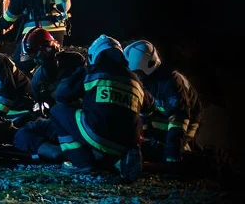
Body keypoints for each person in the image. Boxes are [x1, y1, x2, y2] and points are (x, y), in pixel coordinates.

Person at [13, 34, 152, 183]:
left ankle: (80, 160)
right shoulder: (136, 81)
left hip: (93, 131)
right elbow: (149, 108)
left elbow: (61, 96)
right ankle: (118, 159)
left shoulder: (91, 72)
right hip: (126, 143)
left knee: (55, 112)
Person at [124, 40, 203, 163]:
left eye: (137, 73)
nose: (135, 77)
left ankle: (199, 159)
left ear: (149, 65)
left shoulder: (171, 82)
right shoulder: (145, 80)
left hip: (188, 119)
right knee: (154, 147)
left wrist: (172, 154)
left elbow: (179, 118)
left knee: (178, 150)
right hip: (161, 115)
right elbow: (143, 114)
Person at [22, 27, 86, 111]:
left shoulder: (75, 60)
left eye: (36, 55)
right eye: (34, 56)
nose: (36, 59)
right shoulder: (38, 80)